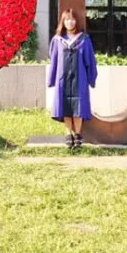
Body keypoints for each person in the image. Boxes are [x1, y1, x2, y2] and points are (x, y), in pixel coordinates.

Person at [48, 8, 98, 149]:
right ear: (63, 22)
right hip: (62, 79)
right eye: (67, 19)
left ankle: (78, 134)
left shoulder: (84, 39)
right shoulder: (57, 40)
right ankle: (68, 133)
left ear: (76, 21)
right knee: (66, 107)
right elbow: (54, 61)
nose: (70, 22)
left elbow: (90, 60)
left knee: (78, 107)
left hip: (79, 79)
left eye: (72, 19)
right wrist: (52, 79)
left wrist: (91, 78)